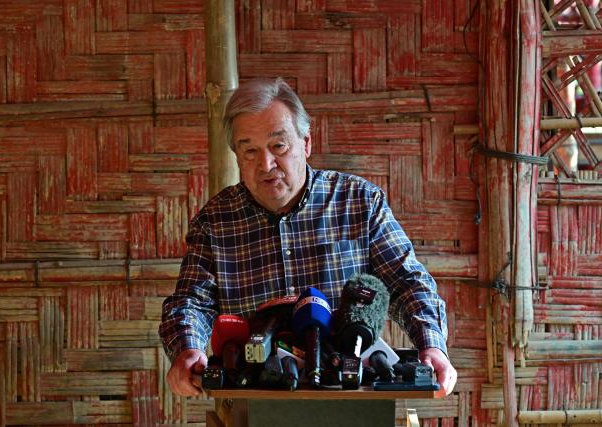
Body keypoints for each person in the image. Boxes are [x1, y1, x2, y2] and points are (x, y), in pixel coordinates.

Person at [159, 77, 457, 397]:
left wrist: (432, 345)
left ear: (306, 142)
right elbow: (191, 301)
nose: (266, 164)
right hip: (253, 398)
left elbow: (407, 282)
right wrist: (187, 349)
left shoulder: (359, 203)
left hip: (347, 397)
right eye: (249, 151)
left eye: (279, 146)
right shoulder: (215, 221)